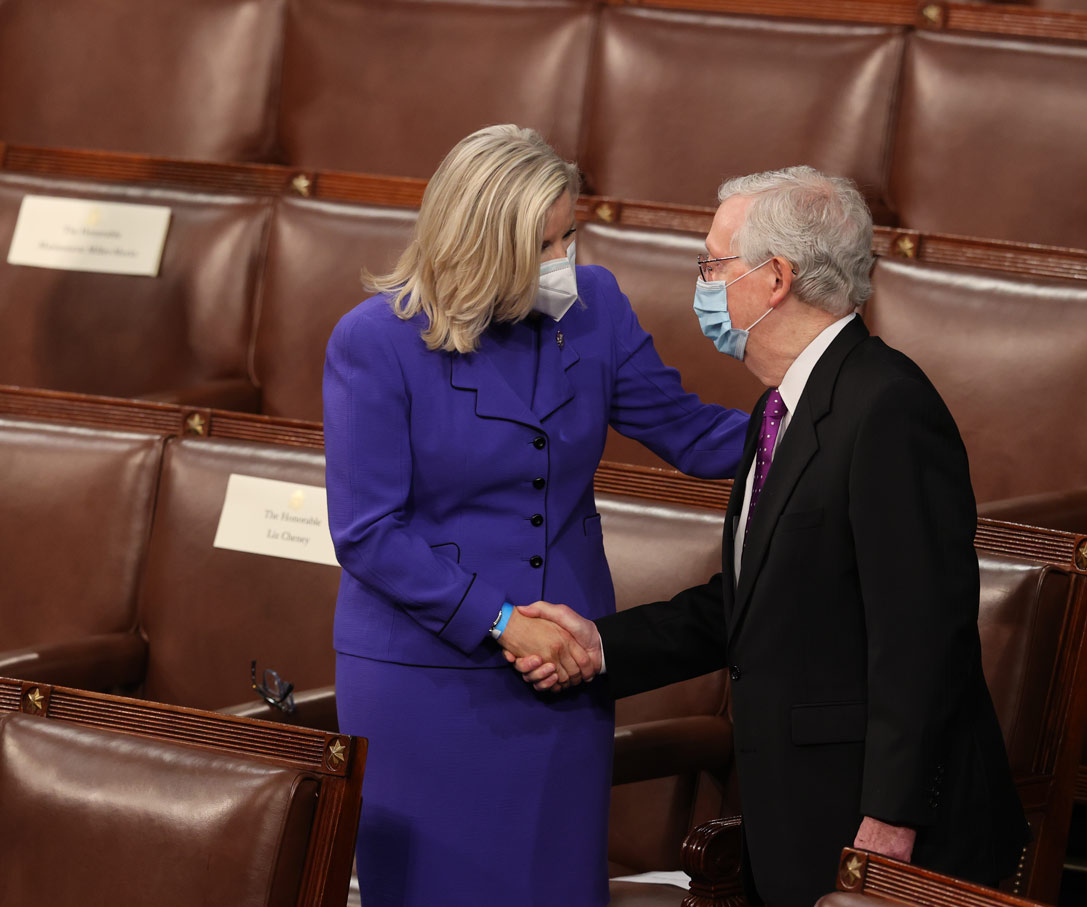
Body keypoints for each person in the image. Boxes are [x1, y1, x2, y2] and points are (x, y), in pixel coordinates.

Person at [513, 166, 1030, 906]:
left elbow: (921, 639)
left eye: (714, 265)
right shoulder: (781, 409)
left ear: (776, 277)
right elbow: (753, 603)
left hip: (878, 830)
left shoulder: (887, 410)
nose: (705, 283)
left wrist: (891, 817)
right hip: (798, 816)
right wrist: (601, 647)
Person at [322, 124, 748, 906]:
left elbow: (687, 430)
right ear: (481, 245)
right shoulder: (373, 342)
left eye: (570, 234)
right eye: (545, 244)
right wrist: (501, 620)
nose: (566, 262)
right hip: (426, 678)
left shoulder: (598, 308)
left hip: (562, 665)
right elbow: (367, 531)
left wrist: (812, 414)